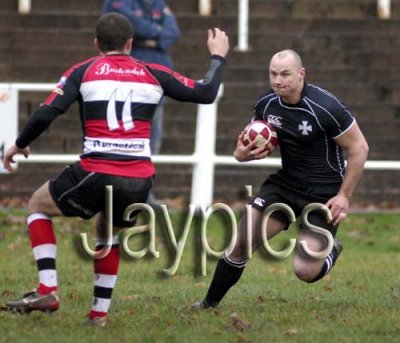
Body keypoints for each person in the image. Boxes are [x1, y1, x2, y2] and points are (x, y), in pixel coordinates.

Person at [2, 13, 229, 326]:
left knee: (37, 206)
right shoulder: (154, 72)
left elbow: (46, 112)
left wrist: (20, 143)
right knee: (107, 233)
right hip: (139, 180)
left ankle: (47, 289)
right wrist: (218, 56)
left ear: (96, 43)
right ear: (130, 43)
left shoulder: (83, 71)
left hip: (97, 169)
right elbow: (205, 92)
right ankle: (98, 316)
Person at [192, 49, 369, 309]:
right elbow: (252, 143)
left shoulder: (326, 107)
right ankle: (208, 304)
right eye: (273, 74)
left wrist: (344, 195)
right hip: (285, 186)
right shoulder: (267, 104)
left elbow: (359, 148)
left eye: (285, 74)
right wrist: (241, 154)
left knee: (305, 271)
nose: (278, 80)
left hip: (324, 195)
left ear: (301, 74)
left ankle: (331, 250)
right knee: (240, 242)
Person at [102, 0, 181, 204]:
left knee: (152, 140)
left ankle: (142, 192)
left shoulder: (157, 2)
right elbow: (130, 27)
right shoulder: (117, 2)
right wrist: (157, 31)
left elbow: (173, 32)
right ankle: (118, 191)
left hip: (156, 83)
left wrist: (150, 38)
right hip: (128, 81)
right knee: (124, 139)